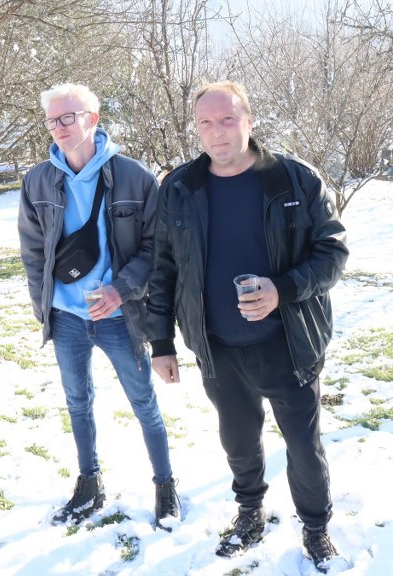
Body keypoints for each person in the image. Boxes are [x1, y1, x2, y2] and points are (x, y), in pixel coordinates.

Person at [146, 81, 349, 572]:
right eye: (206, 123)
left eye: (228, 120)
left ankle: (316, 529)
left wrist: (283, 288)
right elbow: (163, 267)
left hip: (288, 343)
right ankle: (250, 513)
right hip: (216, 346)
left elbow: (333, 253)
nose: (217, 132)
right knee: (237, 440)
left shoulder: (294, 180)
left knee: (303, 444)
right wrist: (161, 342)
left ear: (250, 121)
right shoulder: (180, 187)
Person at [17, 83, 180, 530]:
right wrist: (44, 307)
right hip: (67, 318)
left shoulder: (133, 176)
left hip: (120, 317)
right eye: (52, 120)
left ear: (93, 118)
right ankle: (89, 482)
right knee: (77, 402)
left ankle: (165, 485)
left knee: (143, 402)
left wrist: (120, 290)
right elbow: (33, 252)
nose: (59, 127)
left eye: (67, 117)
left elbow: (157, 246)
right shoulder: (37, 181)